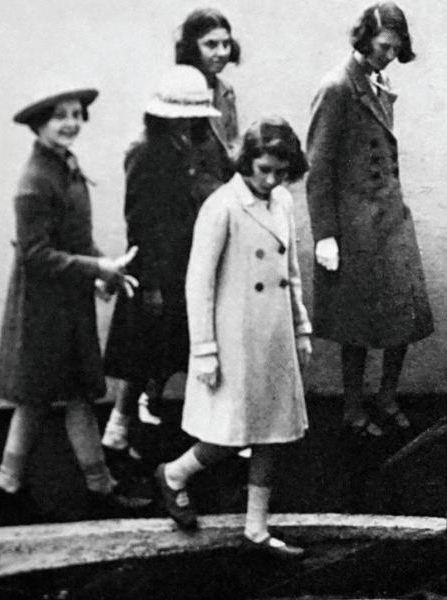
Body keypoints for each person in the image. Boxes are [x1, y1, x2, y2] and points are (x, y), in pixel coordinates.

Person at [0, 82, 152, 521]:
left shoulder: (65, 167)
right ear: (39, 124)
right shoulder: (35, 182)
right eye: (60, 115)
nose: (70, 123)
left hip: (66, 305)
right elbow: (36, 255)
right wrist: (95, 270)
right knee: (46, 397)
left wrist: (106, 270)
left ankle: (15, 485)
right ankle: (91, 488)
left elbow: (77, 240)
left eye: (77, 115)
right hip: (43, 310)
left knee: (58, 397)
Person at [154, 116, 312, 558]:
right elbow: (198, 284)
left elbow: (291, 271)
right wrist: (203, 350)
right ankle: (174, 474)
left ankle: (257, 530)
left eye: (280, 171)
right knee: (229, 433)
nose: (271, 178)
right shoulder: (222, 206)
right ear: (245, 163)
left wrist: (300, 326)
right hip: (234, 338)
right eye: (263, 169)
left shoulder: (282, 202)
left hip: (274, 335)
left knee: (272, 434)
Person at [306, 2, 433, 439]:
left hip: (391, 221)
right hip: (355, 227)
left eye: (396, 49)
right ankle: (353, 410)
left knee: (404, 316)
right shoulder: (338, 86)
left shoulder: (381, 82)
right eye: (383, 46)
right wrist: (325, 235)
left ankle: (387, 396)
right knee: (356, 325)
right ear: (363, 38)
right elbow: (318, 168)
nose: (388, 55)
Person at [100, 65, 226, 470]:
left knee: (178, 353)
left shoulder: (203, 144)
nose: (187, 121)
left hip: (193, 266)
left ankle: (156, 434)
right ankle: (123, 438)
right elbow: (139, 221)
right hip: (157, 270)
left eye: (194, 114)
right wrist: (150, 283)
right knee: (143, 355)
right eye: (179, 114)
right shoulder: (145, 151)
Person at [176, 7, 243, 167]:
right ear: (192, 47)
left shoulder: (225, 90)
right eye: (211, 45)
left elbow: (232, 143)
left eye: (226, 44)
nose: (221, 53)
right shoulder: (179, 91)